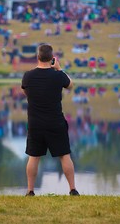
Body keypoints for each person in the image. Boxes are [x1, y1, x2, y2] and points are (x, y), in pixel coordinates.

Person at [21, 44, 79, 197]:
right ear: (52, 58)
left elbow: (26, 92)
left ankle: (30, 191)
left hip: (35, 123)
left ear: (38, 57)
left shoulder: (28, 76)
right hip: (55, 122)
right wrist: (59, 69)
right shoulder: (58, 75)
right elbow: (71, 85)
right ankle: (73, 190)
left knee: (33, 157)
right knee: (64, 155)